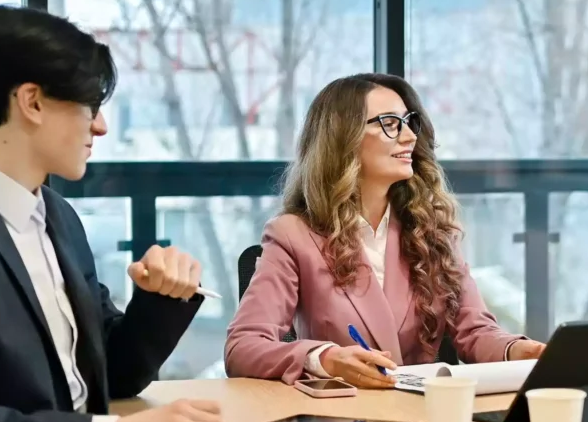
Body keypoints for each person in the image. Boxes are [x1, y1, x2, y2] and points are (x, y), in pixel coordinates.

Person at [0, 5, 250, 422]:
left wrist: (159, 302)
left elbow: (108, 377)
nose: (102, 125)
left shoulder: (57, 216)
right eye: (90, 105)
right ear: (32, 102)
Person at [224, 73, 546, 387]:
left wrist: (517, 350)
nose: (409, 136)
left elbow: (475, 331)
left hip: (423, 419)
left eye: (408, 122)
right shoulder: (293, 235)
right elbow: (243, 347)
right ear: (343, 138)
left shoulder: (432, 231)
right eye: (390, 124)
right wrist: (323, 358)